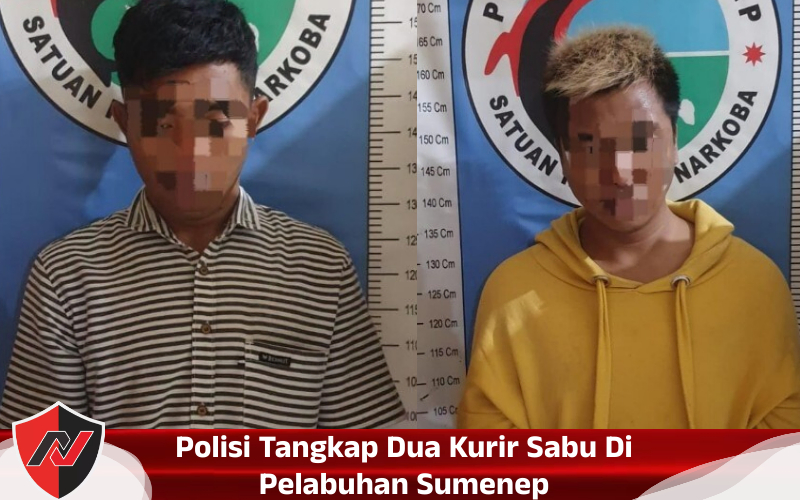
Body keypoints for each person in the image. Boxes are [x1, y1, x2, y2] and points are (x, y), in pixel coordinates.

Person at [0, 0, 404, 429]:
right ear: (124, 122)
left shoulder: (320, 270)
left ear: (253, 119)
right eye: (162, 125)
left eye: (215, 123)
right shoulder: (67, 277)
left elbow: (363, 455)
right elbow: (46, 463)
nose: (191, 155)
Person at [458, 26, 800, 429]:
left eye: (640, 141)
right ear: (564, 156)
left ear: (674, 140)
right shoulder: (512, 294)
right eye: (590, 147)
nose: (620, 174)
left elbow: (780, 446)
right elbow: (494, 453)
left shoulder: (754, 284)